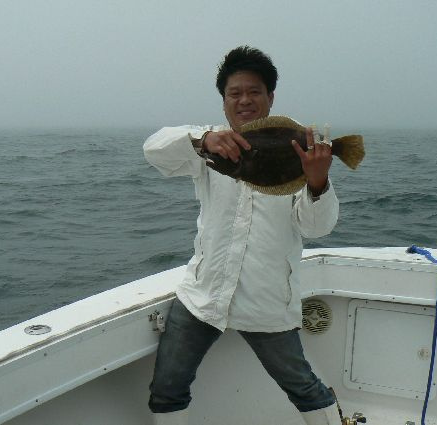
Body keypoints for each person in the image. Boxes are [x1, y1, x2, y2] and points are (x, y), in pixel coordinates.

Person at [143, 46, 341, 425]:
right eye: (235, 93)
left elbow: (317, 227)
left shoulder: (298, 146)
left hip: (266, 303)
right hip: (202, 297)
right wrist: (202, 139)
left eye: (254, 91)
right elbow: (153, 150)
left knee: (304, 388)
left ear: (271, 98)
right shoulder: (211, 145)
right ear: (223, 102)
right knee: (167, 388)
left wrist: (317, 180)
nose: (244, 100)